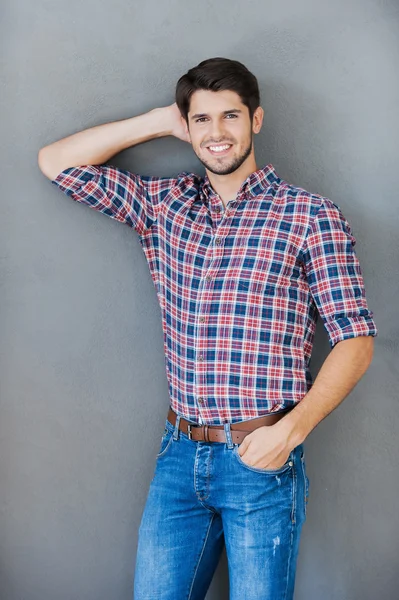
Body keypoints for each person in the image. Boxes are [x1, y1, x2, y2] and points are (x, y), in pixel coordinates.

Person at [38, 57, 377, 600]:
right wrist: (156, 120)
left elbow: (356, 337)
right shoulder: (165, 205)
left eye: (231, 117)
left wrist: (288, 434)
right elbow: (56, 162)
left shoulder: (310, 216)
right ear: (187, 125)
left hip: (260, 459)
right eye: (202, 120)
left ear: (256, 121)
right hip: (178, 456)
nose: (217, 134)